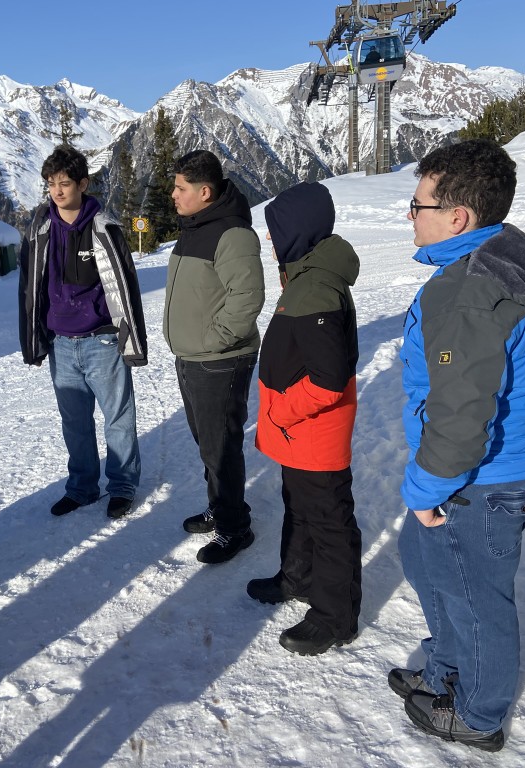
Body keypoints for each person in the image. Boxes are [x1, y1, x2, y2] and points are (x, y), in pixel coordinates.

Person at [392, 139, 525, 751]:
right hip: (493, 468)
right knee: (426, 562)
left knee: (475, 598)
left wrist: (426, 487)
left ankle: (478, 715)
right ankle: (446, 669)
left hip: (484, 476)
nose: (410, 215)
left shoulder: (468, 292)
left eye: (418, 204)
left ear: (457, 217)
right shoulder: (499, 266)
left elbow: (461, 415)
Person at [250, 182, 362, 656]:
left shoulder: (316, 287)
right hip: (299, 433)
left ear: (299, 230)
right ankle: (296, 578)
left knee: (329, 522)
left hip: (312, 431)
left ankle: (335, 618)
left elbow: (328, 379)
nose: (271, 239)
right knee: (299, 508)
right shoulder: (305, 277)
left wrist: (280, 412)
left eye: (276, 229)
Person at [18, 145, 147, 520]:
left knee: (118, 419)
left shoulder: (104, 228)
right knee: (75, 424)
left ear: (83, 184)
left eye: (64, 183)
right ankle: (82, 488)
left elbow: (126, 286)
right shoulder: (40, 230)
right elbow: (29, 289)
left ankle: (121, 487)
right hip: (60, 343)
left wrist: (132, 341)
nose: (57, 191)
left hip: (101, 340)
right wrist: (33, 340)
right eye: (51, 184)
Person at [163, 149, 264, 564]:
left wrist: (214, 339)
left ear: (204, 192)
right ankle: (221, 507)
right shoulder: (195, 227)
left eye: (180, 188)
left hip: (219, 359)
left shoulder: (233, 234)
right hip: (193, 357)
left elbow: (247, 298)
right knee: (209, 445)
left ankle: (234, 528)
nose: (173, 195)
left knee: (222, 447)